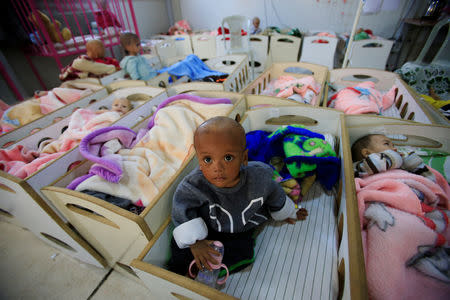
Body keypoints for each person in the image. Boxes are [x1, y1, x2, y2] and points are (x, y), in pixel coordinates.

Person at [168, 116, 308, 276]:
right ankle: (177, 276)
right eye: (208, 159)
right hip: (210, 226)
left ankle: (214, 268)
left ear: (244, 158)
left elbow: (275, 194)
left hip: (241, 227)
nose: (217, 167)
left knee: (243, 253)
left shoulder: (259, 178)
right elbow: (181, 208)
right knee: (179, 249)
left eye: (228, 158)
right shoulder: (194, 185)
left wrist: (289, 212)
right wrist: (195, 242)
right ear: (199, 160)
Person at [351, 134, 435, 182]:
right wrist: (396, 157)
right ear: (367, 153)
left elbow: (429, 180)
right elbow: (377, 163)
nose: (395, 148)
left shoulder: (398, 166)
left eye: (393, 146)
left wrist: (411, 161)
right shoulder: (360, 167)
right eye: (386, 144)